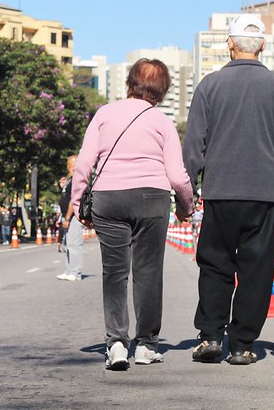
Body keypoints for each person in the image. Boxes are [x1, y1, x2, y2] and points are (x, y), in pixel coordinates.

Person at [183, 14, 274, 366]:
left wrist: (186, 193)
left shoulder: (210, 85)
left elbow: (195, 145)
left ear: (229, 44)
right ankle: (242, 344)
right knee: (256, 270)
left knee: (215, 264)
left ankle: (210, 336)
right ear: (263, 46)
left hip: (220, 192)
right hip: (264, 195)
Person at [72, 58, 194, 370]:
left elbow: (84, 163)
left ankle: (115, 344)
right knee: (148, 273)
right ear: (163, 90)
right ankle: (147, 345)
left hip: (108, 199)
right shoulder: (162, 122)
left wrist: (77, 204)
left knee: (114, 272)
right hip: (152, 199)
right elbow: (178, 176)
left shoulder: (104, 113)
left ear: (130, 83)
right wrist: (186, 206)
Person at [58, 156, 85, 282]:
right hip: (67, 216)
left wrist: (67, 217)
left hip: (74, 216)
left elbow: (73, 200)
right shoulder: (70, 180)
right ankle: (68, 270)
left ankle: (75, 272)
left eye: (69, 164)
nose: (68, 166)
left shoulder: (77, 179)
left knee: (74, 244)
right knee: (69, 244)